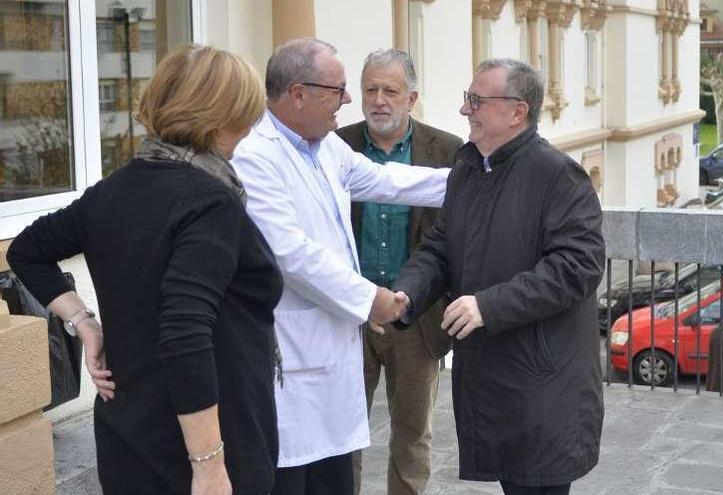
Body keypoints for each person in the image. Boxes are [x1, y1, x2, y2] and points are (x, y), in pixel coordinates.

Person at [7, 45, 281, 495]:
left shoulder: (113, 190)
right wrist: (209, 466)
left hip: (129, 436)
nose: (251, 128)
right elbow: (185, 329)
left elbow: (27, 250)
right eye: (247, 115)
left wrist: (84, 323)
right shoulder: (210, 202)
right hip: (205, 445)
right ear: (221, 116)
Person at [230, 38, 449, 495]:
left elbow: (387, 181)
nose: (351, 101)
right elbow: (290, 253)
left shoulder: (325, 147)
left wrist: (482, 180)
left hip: (331, 354)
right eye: (340, 89)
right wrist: (372, 300)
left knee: (337, 471)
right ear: (298, 94)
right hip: (293, 357)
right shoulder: (256, 155)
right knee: (295, 477)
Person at [392, 58, 606, 495]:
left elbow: (577, 266)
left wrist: (487, 305)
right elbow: (440, 246)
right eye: (467, 99)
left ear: (517, 112)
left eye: (476, 100)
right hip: (495, 378)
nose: (464, 110)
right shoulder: (469, 169)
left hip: (544, 386)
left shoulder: (558, 174)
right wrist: (405, 293)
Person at [336, 49, 463, 495]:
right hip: (348, 316)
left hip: (415, 319)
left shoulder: (447, 151)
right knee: (340, 437)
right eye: (370, 89)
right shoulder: (336, 146)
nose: (379, 100)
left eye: (390, 91)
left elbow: (456, 236)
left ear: (412, 98)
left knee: (411, 435)